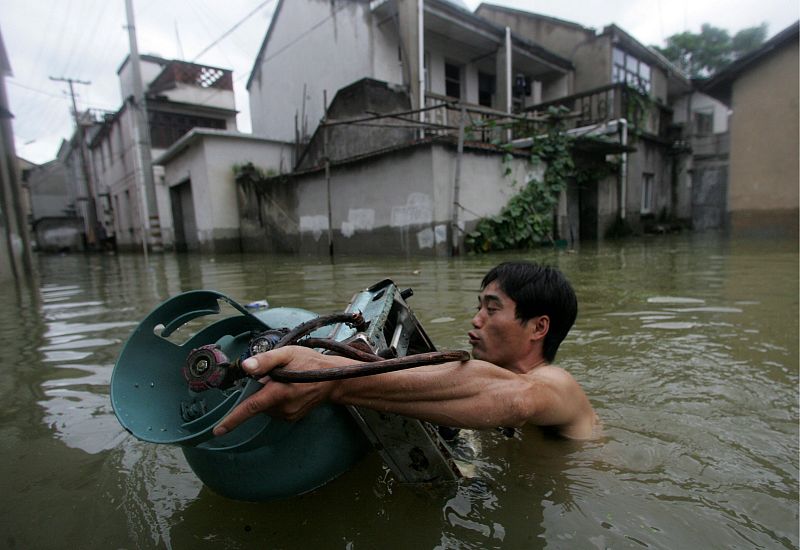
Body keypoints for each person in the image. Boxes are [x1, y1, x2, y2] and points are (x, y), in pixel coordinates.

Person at [213, 261, 598, 440]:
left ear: (539, 327)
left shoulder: (556, 384)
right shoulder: (494, 377)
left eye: (492, 309)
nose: (477, 319)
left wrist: (330, 380)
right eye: (478, 306)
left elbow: (513, 399)